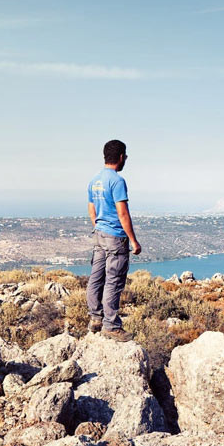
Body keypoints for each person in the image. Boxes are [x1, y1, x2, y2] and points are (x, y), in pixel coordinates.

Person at [86, 139, 142, 341]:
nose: (125, 159)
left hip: (99, 235)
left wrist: (98, 226)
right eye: (125, 156)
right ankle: (111, 325)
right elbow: (123, 214)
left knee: (96, 277)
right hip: (116, 238)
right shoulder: (117, 181)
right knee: (113, 281)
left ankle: (95, 318)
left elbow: (91, 208)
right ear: (120, 157)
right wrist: (133, 241)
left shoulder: (95, 180)